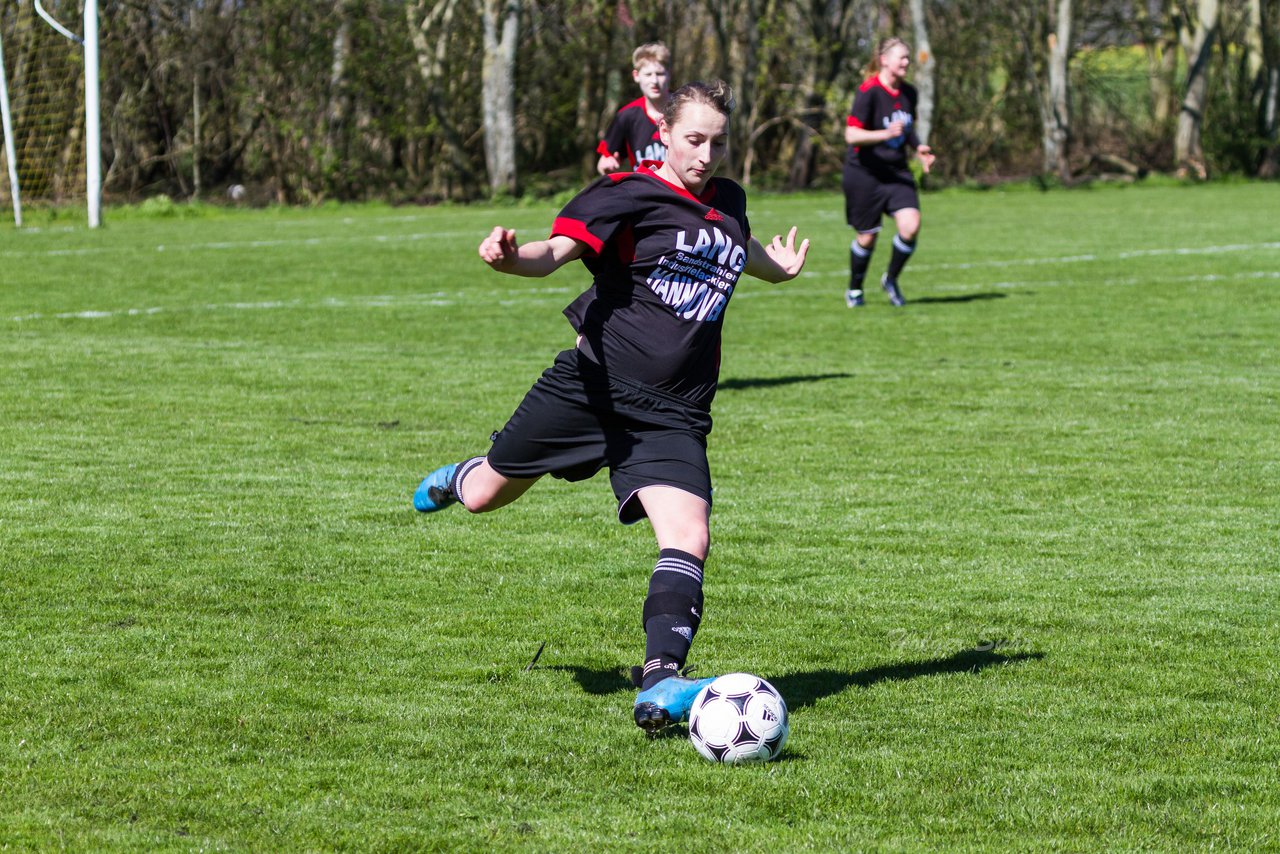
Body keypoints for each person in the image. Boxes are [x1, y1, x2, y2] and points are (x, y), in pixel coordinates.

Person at [413, 80, 809, 734]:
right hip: (593, 388)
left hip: (675, 412)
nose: (706, 154)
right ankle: (461, 475)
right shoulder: (626, 192)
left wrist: (779, 269)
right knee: (488, 495)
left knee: (689, 536)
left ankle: (661, 685)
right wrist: (512, 260)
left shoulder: (728, 200)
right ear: (665, 134)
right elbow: (552, 255)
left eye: (717, 141)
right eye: (693, 140)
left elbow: (735, 246)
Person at [842, 37, 937, 307]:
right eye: (902, 58)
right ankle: (855, 289)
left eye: (908, 57)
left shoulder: (909, 93)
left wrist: (919, 148)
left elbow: (907, 129)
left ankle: (891, 279)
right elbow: (851, 135)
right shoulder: (868, 91)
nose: (907, 62)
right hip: (864, 173)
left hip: (896, 172)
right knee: (867, 237)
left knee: (911, 225)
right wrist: (884, 133)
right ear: (884, 60)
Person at [596, 43, 671, 175]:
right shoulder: (626, 116)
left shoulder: (686, 109)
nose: (654, 81)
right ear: (636, 76)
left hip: (681, 192)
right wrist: (607, 166)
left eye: (659, 74)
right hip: (643, 191)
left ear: (669, 74)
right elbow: (603, 162)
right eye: (648, 74)